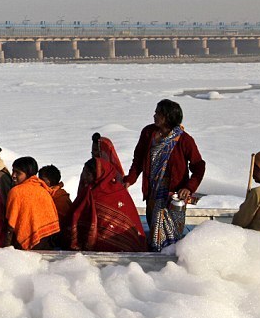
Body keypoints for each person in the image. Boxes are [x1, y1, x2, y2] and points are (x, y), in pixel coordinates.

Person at [124, 99, 206, 251]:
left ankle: (167, 259)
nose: (154, 115)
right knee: (153, 225)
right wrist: (130, 179)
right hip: (153, 192)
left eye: (158, 113)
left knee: (170, 232)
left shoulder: (184, 140)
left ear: (167, 117)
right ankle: (157, 257)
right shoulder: (148, 133)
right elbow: (139, 159)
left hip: (172, 194)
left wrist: (189, 187)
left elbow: (199, 166)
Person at [69, 158, 146, 252]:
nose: (84, 177)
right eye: (84, 173)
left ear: (98, 174)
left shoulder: (117, 192)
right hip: (95, 245)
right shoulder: (88, 191)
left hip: (121, 245)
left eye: (88, 174)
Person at [4, 156, 60, 250]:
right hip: (46, 243)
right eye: (13, 171)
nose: (13, 175)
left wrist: (6, 248)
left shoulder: (16, 192)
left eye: (18, 173)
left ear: (28, 174)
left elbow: (10, 224)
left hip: (25, 245)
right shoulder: (43, 189)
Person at [37, 164, 73, 244]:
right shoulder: (50, 194)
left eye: (42, 179)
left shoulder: (59, 198)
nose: (39, 182)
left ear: (50, 182)